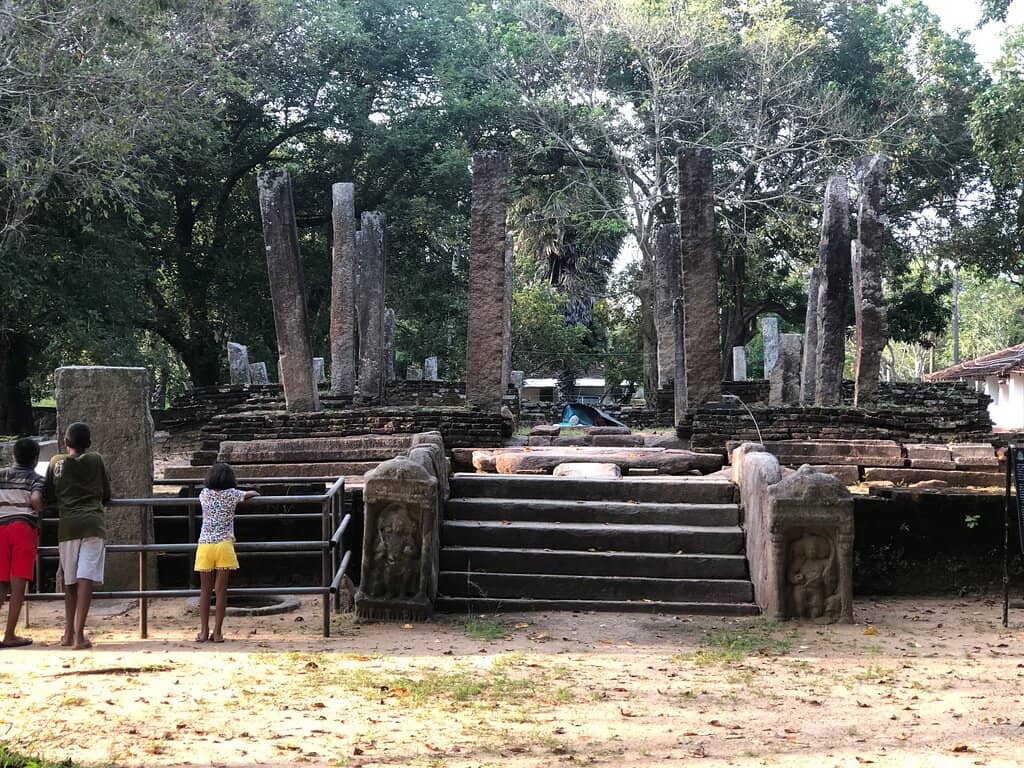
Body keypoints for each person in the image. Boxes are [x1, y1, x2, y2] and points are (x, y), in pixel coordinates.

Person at [45, 422, 111, 650]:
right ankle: (79, 635)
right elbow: (107, 492)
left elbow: (48, 494)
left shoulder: (56, 462)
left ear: (65, 443)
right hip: (93, 524)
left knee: (70, 580)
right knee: (86, 578)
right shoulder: (96, 459)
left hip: (67, 526)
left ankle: (67, 632)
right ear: (89, 443)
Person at [195, 462, 258, 643]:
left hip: (205, 545)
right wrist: (255, 492)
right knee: (221, 591)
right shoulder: (232, 494)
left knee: (205, 590)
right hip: (224, 545)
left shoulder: (204, 494)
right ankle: (218, 632)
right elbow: (249, 494)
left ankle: (203, 631)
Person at [0, 438, 44, 647]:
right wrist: (39, 509)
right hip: (23, 529)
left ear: (14, 456)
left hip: (0, 529)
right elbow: (36, 499)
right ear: (35, 459)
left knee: (1, 584)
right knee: (18, 586)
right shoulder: (36, 478)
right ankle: (9, 634)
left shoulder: (2, 474)